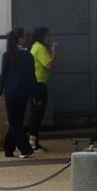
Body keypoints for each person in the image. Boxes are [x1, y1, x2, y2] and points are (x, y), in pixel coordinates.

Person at [0, 28, 36, 158]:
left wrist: (0, 89)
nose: (25, 40)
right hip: (24, 92)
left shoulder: (7, 55)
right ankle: (8, 148)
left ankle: (25, 148)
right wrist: (34, 93)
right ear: (19, 39)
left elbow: (4, 75)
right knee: (17, 121)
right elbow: (32, 76)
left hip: (11, 92)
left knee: (14, 122)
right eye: (24, 37)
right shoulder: (28, 56)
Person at [26, 25, 56, 153]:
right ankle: (32, 142)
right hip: (39, 84)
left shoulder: (35, 47)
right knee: (37, 112)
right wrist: (54, 52)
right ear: (42, 36)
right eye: (47, 35)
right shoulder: (40, 48)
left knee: (37, 112)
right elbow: (49, 65)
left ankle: (34, 141)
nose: (49, 38)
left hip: (36, 83)